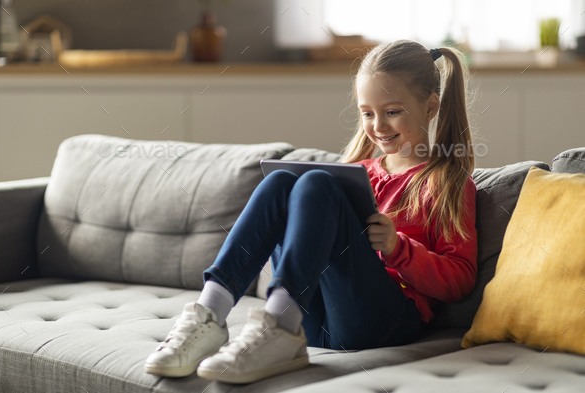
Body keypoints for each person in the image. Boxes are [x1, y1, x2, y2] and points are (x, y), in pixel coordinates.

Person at [144, 39, 478, 384]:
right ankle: (210, 316)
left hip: (385, 323)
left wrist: (398, 248)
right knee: (281, 183)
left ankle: (276, 328)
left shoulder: (448, 183)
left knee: (317, 183)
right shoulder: (359, 173)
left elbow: (460, 281)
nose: (378, 125)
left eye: (392, 111)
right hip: (315, 322)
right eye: (367, 113)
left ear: (430, 107)